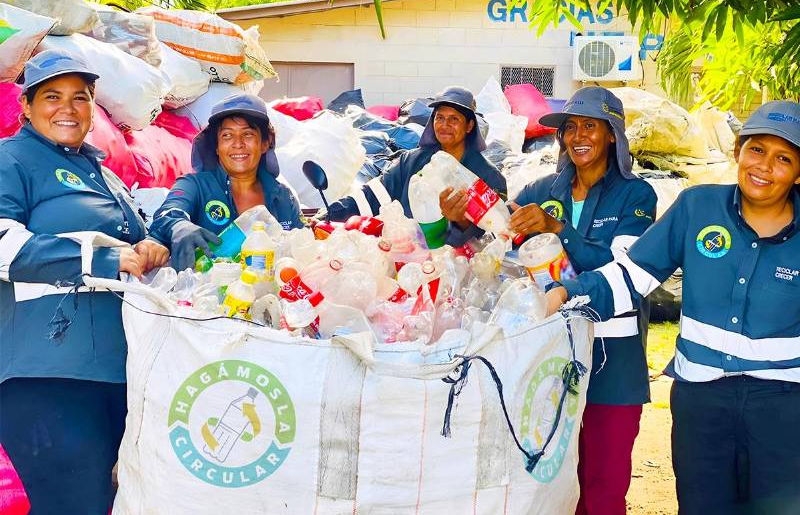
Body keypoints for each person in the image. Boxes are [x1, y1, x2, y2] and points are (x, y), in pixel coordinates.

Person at [546, 100, 800, 514]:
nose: (765, 166)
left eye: (783, 158)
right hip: (701, 398)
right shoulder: (697, 208)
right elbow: (632, 275)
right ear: (738, 151)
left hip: (785, 405)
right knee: (702, 505)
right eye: (757, 150)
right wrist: (564, 292)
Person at [0, 50, 169, 513]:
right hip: (46, 375)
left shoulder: (103, 173)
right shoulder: (10, 160)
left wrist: (152, 246)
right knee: (74, 505)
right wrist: (101, 258)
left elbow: (130, 242)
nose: (68, 108)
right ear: (27, 107)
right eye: (52, 96)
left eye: (81, 97)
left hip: (116, 374)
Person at [508, 86, 657, 515]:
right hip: (550, 350)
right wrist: (468, 219)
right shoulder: (541, 189)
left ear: (612, 134)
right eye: (570, 127)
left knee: (604, 483)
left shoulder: (636, 195)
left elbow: (621, 269)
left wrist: (560, 230)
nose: (577, 135)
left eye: (590, 125)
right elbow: (501, 252)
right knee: (552, 477)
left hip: (614, 353)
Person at [321, 86, 506, 246]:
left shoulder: (489, 177)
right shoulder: (411, 162)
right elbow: (373, 195)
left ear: (469, 126)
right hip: (407, 258)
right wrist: (329, 214)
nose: (444, 125)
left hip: (455, 271)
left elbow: (494, 237)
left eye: (454, 119)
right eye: (439, 118)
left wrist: (461, 223)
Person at [149, 93, 302, 270]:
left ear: (265, 143)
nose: (238, 143)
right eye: (227, 136)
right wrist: (180, 226)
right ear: (216, 146)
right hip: (202, 294)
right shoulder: (194, 185)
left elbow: (297, 249)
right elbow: (168, 214)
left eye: (248, 134)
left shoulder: (283, 197)